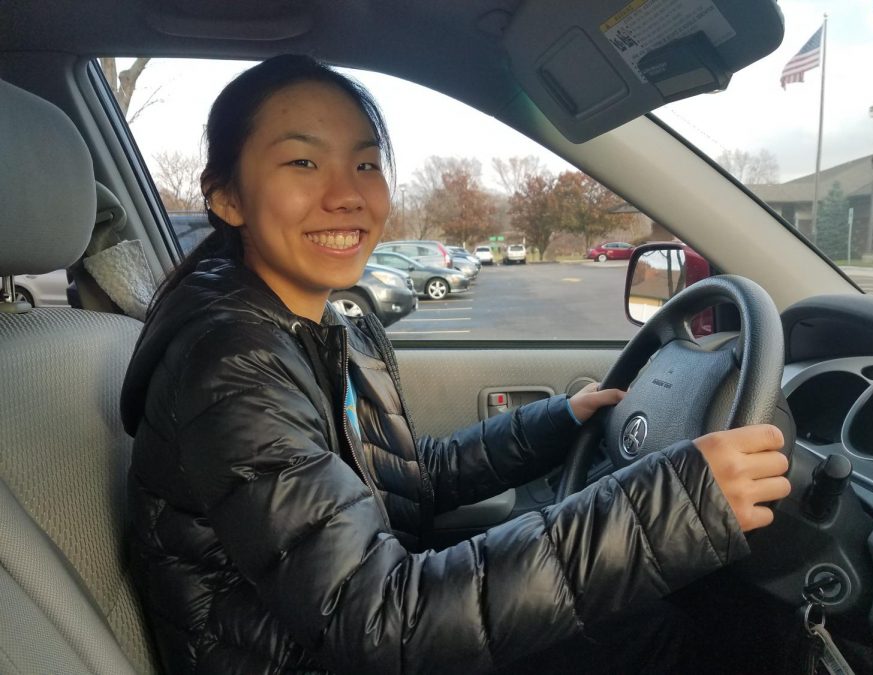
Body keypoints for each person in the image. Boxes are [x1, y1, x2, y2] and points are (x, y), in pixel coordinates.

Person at [121, 55, 791, 674]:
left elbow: (405, 477)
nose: (347, 195)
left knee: (645, 621)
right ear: (227, 197)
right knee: (664, 636)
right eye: (301, 163)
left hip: (335, 634)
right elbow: (382, 620)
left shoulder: (318, 323)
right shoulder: (231, 364)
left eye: (364, 164)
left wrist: (557, 422)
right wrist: (675, 503)